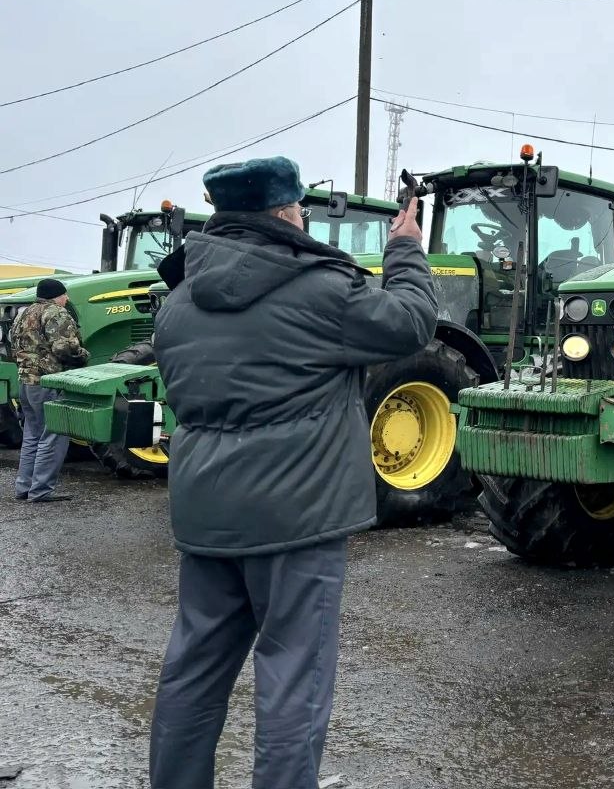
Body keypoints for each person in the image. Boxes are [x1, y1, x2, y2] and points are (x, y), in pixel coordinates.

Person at [147, 156, 437, 789]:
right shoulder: (321, 289)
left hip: (206, 513)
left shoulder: (176, 304)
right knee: (292, 682)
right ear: (285, 211)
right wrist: (407, 252)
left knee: (192, 672)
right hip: (296, 519)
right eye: (300, 207)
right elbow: (411, 325)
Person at [11, 277, 88, 503]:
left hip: (25, 381)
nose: (67, 300)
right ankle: (41, 490)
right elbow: (65, 348)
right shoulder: (55, 312)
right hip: (48, 381)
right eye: (65, 296)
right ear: (58, 295)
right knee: (54, 433)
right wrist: (84, 356)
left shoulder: (23, 313)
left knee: (32, 435)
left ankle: (24, 487)